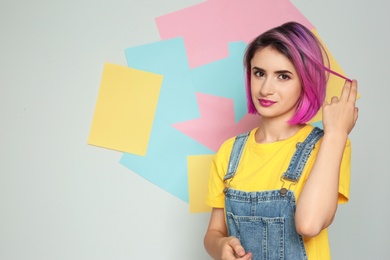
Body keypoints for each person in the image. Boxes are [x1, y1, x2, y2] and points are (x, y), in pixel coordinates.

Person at [204, 21, 358, 260]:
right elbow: (214, 232)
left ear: (305, 81)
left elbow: (309, 224)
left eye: (283, 76)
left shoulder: (328, 146)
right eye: (259, 73)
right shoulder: (229, 152)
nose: (266, 88)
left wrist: (337, 133)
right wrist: (221, 246)